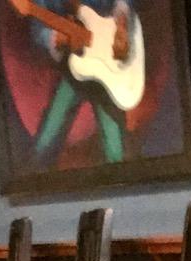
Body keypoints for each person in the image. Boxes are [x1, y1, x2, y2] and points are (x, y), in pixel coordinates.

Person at [30, 0, 135, 166]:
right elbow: (38, 31)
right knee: (45, 141)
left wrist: (122, 25)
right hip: (74, 69)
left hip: (110, 70)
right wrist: (60, 38)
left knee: (116, 151)